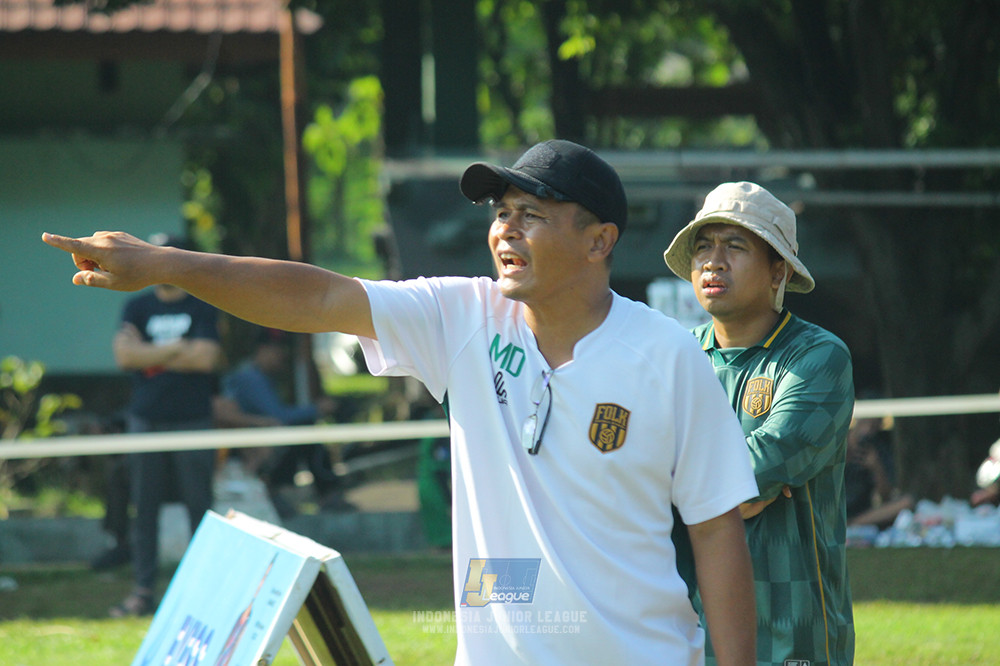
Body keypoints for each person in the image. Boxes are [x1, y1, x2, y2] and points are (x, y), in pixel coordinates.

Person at [44, 140, 759, 665]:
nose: (505, 229)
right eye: (500, 213)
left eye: (531, 214)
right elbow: (320, 295)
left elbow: (717, 532)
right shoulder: (462, 317)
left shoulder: (668, 356)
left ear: (600, 239)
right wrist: (166, 266)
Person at [664, 181, 855, 666]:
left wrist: (683, 481)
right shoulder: (673, 357)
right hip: (685, 632)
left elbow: (744, 483)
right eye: (703, 245)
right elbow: (630, 481)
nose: (713, 260)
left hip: (794, 635)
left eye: (736, 245)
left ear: (779, 271)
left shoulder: (818, 356)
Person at [108, 233, 223, 617]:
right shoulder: (137, 305)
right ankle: (143, 590)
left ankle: (205, 590)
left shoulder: (203, 305)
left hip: (193, 420)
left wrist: (150, 354)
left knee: (200, 508)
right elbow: (124, 356)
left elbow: (206, 359)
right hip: (146, 420)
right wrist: (178, 348)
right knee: (144, 508)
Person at [222, 326, 349, 515]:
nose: (282, 355)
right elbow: (278, 416)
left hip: (256, 442)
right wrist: (318, 409)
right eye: (278, 349)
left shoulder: (258, 375)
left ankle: (315, 493)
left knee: (301, 434)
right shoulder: (250, 377)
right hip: (244, 450)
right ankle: (324, 493)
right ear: (262, 349)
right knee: (304, 432)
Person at [844, 412, 914, 528]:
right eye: (866, 422)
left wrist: (876, 467)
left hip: (861, 514)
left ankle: (851, 524)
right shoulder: (837, 442)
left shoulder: (877, 449)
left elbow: (885, 496)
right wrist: (846, 455)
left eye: (874, 424)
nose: (868, 430)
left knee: (906, 502)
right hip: (833, 508)